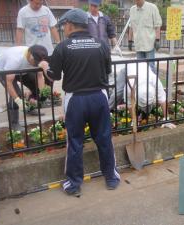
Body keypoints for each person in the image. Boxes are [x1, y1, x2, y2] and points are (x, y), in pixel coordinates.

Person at [39, 8, 120, 196]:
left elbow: (54, 75)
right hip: (99, 96)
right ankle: (111, 177)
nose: (63, 29)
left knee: (75, 142)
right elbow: (107, 70)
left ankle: (74, 183)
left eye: (64, 26)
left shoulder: (63, 47)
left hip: (76, 99)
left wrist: (44, 66)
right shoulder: (101, 44)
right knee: (104, 139)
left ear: (69, 25)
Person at [0, 45, 49, 131]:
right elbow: (9, 83)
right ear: (29, 55)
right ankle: (14, 123)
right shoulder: (14, 59)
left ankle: (29, 108)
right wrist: (18, 100)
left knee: (35, 84)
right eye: (34, 62)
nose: (36, 64)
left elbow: (40, 77)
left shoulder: (37, 59)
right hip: (4, 71)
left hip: (22, 70)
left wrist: (41, 93)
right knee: (17, 94)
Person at [108, 62, 176, 129]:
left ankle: (143, 113)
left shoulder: (154, 79)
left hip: (145, 67)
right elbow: (130, 105)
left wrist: (167, 119)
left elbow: (163, 99)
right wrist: (134, 120)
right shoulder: (130, 86)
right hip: (129, 69)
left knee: (149, 106)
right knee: (118, 93)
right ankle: (107, 110)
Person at [128, 0, 162, 71]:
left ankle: (152, 82)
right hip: (138, 44)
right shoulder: (132, 9)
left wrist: (157, 40)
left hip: (149, 44)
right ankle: (142, 82)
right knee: (140, 68)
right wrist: (130, 40)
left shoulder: (152, 8)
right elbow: (131, 26)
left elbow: (157, 25)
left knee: (150, 68)